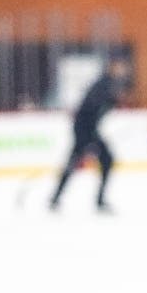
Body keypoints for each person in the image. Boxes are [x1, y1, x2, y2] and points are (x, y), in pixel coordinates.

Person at [49, 56, 131, 212]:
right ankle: (94, 200)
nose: (122, 70)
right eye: (120, 66)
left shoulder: (110, 84)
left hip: (89, 130)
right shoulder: (104, 84)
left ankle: (57, 198)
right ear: (112, 67)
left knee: (85, 162)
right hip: (85, 130)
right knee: (97, 160)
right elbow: (91, 108)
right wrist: (89, 140)